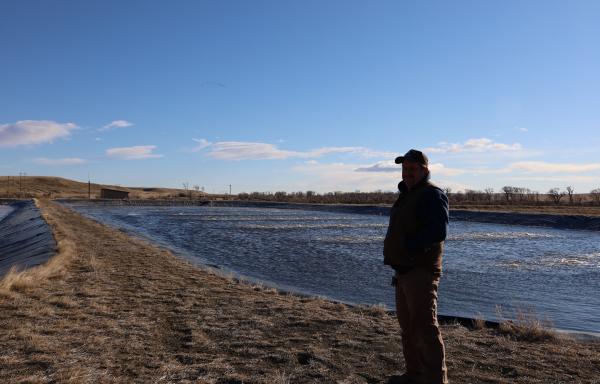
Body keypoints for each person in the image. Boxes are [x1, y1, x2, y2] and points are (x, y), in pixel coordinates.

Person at [383, 149, 449, 384]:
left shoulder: (432, 194)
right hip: (402, 272)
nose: (407, 173)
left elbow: (438, 232)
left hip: (420, 271)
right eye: (405, 169)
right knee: (408, 328)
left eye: (412, 169)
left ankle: (436, 380)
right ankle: (415, 375)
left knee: (425, 329)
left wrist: (411, 249)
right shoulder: (407, 194)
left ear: (424, 171)